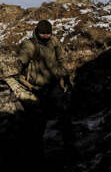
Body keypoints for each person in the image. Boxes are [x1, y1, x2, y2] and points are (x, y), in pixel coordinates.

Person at [18, 20, 74, 162]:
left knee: (64, 116)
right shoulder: (29, 44)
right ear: (37, 32)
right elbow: (22, 58)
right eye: (43, 33)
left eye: (48, 33)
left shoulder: (54, 42)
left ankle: (70, 148)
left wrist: (65, 75)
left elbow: (62, 59)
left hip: (54, 85)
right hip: (36, 89)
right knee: (37, 124)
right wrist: (20, 65)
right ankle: (38, 157)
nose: (45, 36)